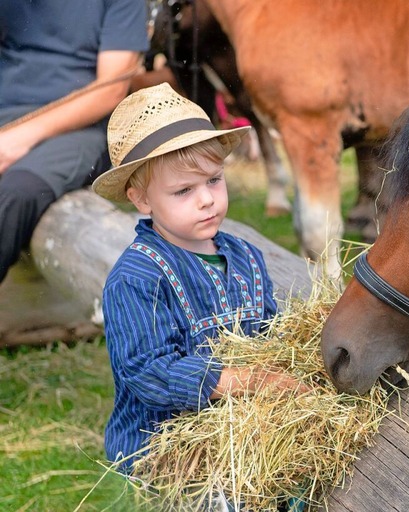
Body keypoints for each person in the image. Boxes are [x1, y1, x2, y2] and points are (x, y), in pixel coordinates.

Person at [92, 83, 306, 473]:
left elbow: (272, 337)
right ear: (142, 199)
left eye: (213, 180)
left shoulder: (245, 258)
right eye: (183, 190)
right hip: (167, 444)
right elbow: (147, 371)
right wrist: (246, 381)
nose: (206, 199)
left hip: (243, 428)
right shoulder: (137, 277)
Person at [0, 0, 150, 284]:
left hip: (80, 126)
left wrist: (20, 137)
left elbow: (112, 89)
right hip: (7, 112)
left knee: (16, 191)